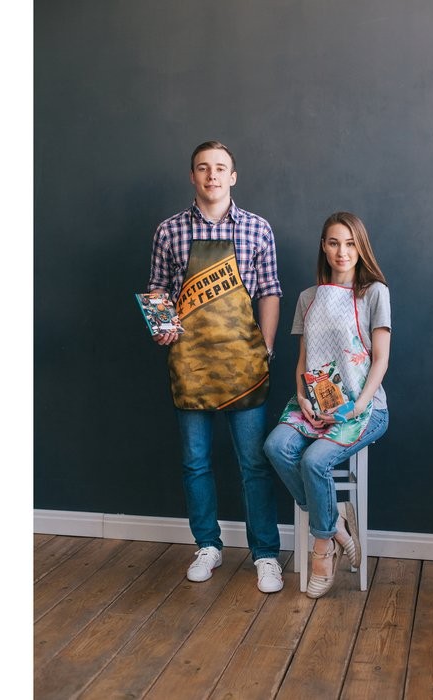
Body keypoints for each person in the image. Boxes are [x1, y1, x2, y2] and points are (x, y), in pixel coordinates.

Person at [146, 141, 284, 593]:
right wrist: (162, 327)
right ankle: (207, 545)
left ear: (233, 176)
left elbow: (270, 290)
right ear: (193, 176)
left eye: (220, 168)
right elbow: (158, 289)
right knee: (195, 463)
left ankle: (265, 554)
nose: (212, 176)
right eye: (203, 168)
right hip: (190, 364)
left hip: (244, 363)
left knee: (254, 464)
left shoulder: (257, 229)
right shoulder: (169, 231)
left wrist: (265, 347)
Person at [264, 211, 391, 598]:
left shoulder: (374, 293)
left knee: (314, 461)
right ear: (324, 246)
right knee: (275, 446)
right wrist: (302, 396)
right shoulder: (308, 298)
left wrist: (357, 406)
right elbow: (303, 360)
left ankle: (323, 549)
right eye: (334, 243)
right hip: (314, 402)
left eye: (350, 243)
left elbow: (381, 359)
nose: (342, 251)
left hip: (364, 408)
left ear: (361, 247)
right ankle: (336, 524)